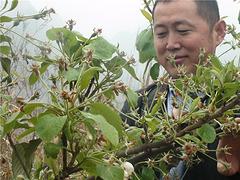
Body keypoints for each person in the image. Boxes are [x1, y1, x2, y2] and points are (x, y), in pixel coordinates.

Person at [121, 0, 240, 179]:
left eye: (183, 31)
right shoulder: (137, 105)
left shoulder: (234, 105)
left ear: (219, 32)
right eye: (161, 33)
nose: (170, 44)